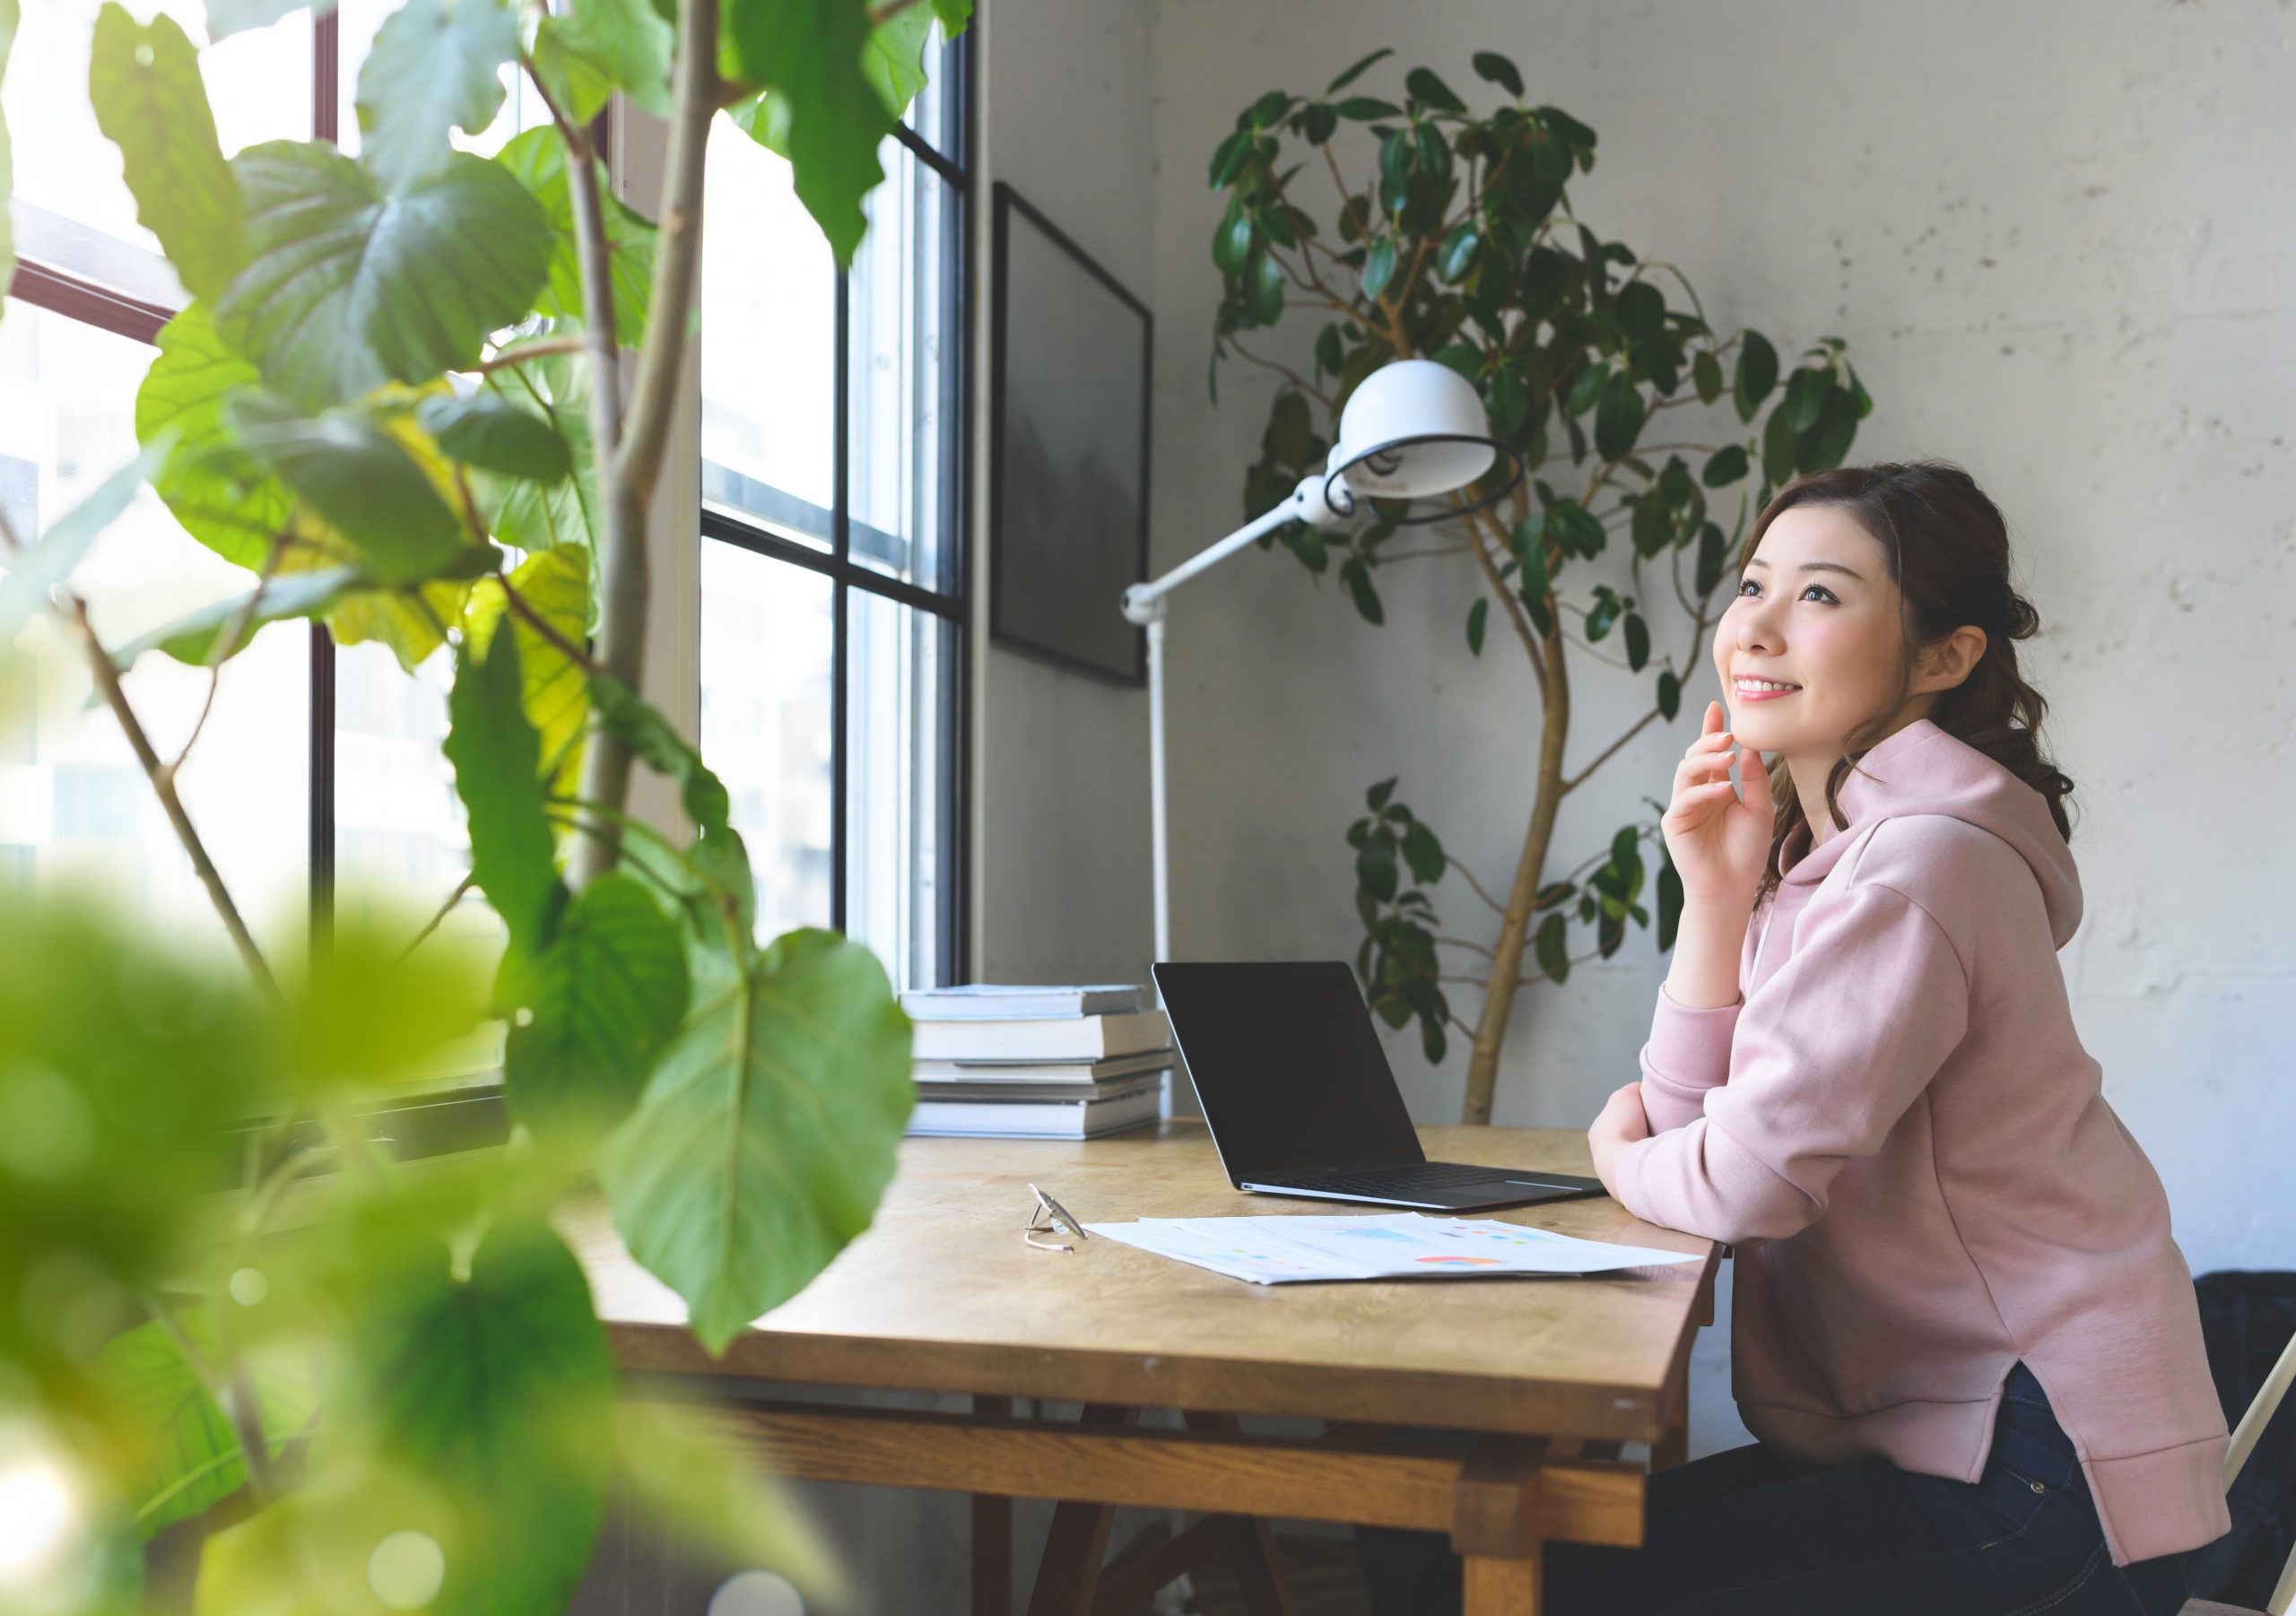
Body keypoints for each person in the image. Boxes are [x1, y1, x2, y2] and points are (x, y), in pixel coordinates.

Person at [1356, 461, 2231, 1614]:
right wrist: (1714, 899)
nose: (1757, 627)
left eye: (1819, 595)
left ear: (1941, 656)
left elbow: (1738, 1179)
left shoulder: (1916, 868)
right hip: (1960, 1438)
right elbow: (1692, 1134)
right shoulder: (1830, 863)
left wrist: (1614, 1154)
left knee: (1501, 1588)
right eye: (1753, 584)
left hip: (2043, 1477)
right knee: (1467, 1572)